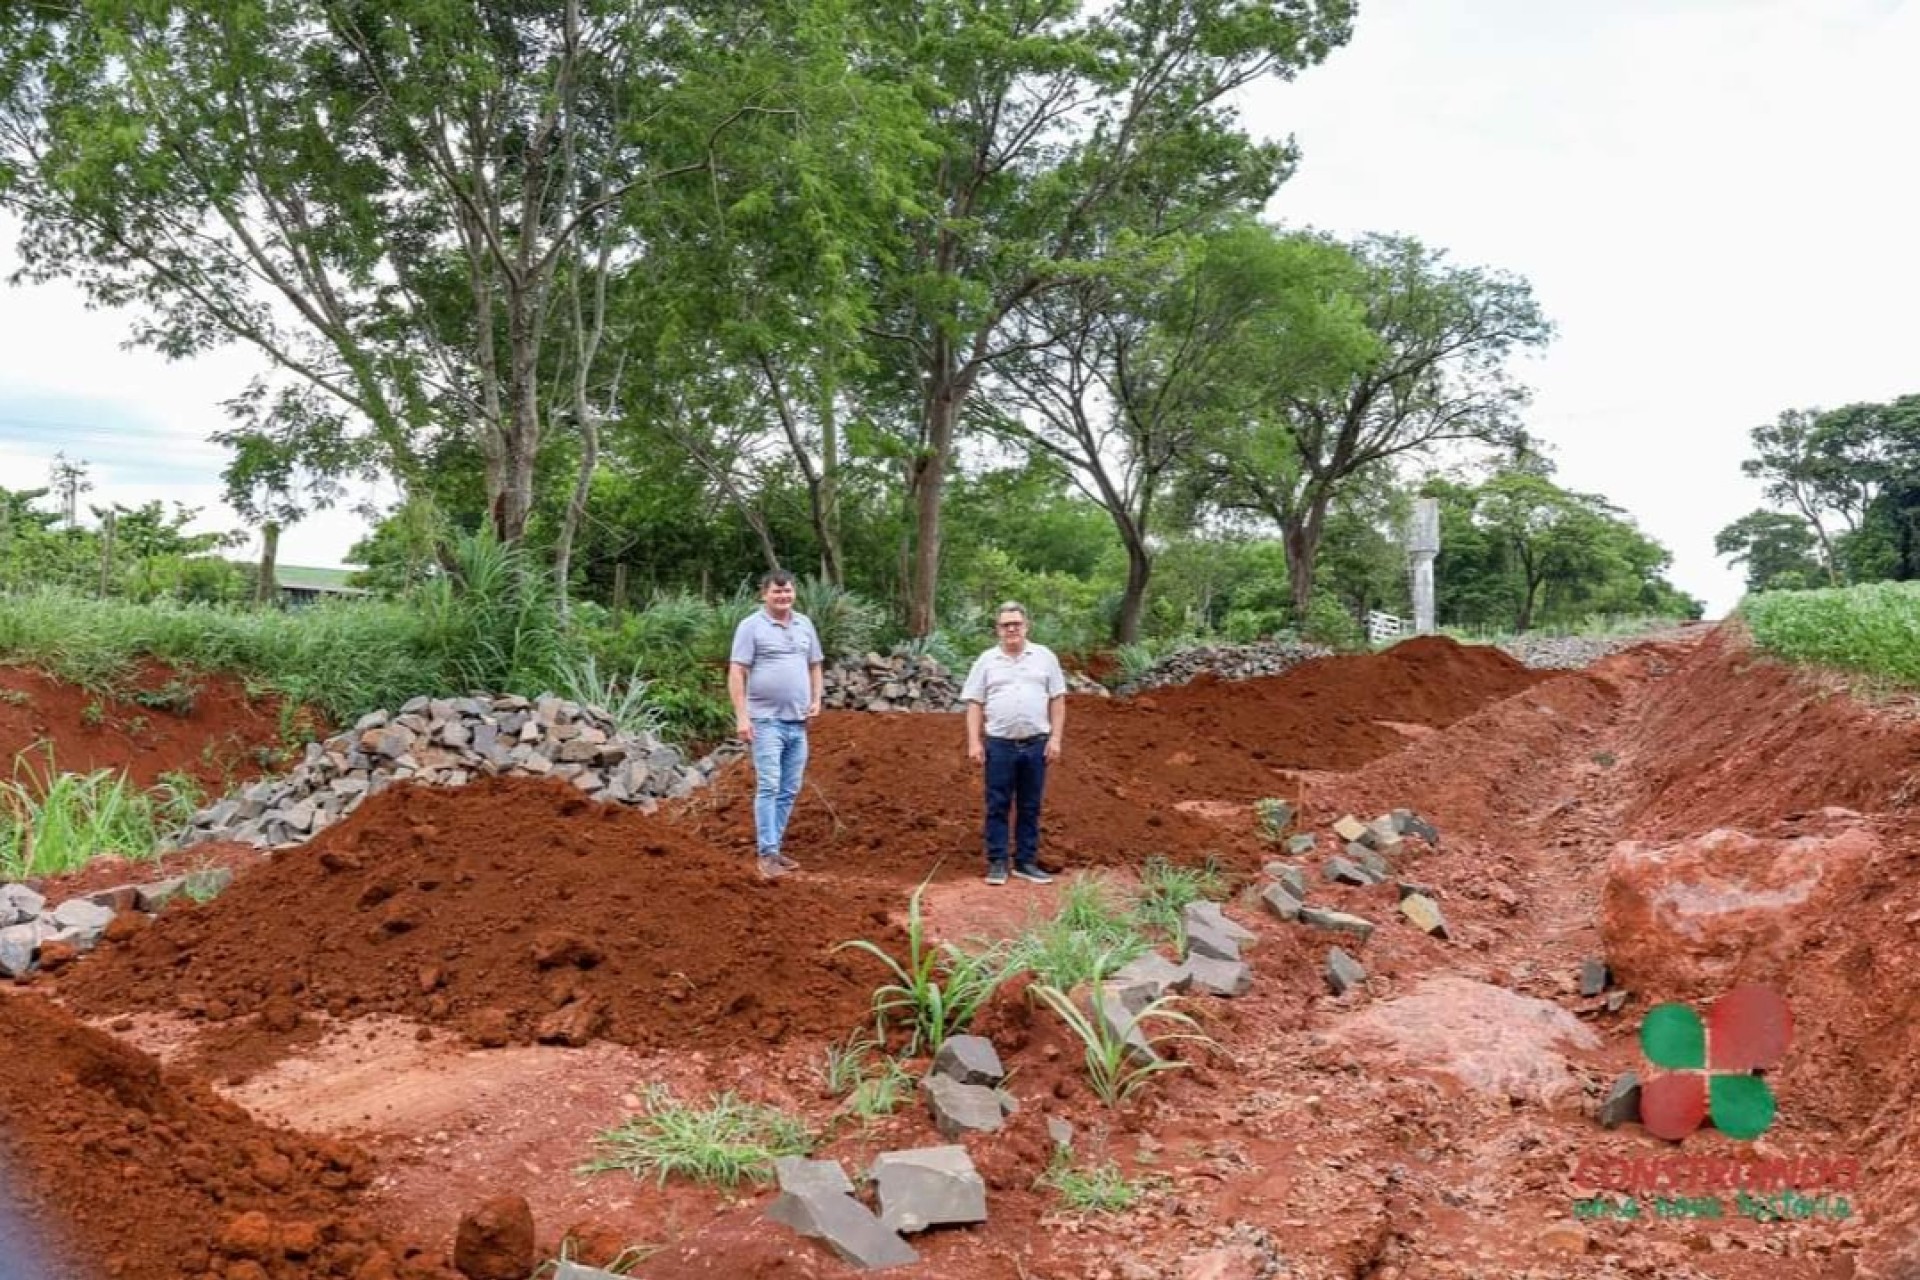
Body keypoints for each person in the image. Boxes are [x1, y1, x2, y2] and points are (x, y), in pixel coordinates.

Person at [728, 569, 824, 880]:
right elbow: (737, 671)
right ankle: (766, 853)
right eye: (776, 592)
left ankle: (775, 847)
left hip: (798, 721)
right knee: (769, 785)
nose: (783, 597)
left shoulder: (804, 624)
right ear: (764, 595)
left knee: (789, 788)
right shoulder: (751, 627)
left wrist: (816, 699)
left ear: (794, 593)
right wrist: (742, 717)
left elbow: (815, 665)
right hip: (765, 720)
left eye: (787, 592)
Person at [961, 600, 1066, 886]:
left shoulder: (1044, 657)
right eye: (1006, 625)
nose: (1011, 629)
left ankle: (1025, 862)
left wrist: (1055, 738)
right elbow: (974, 703)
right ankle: (997, 862)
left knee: (1030, 805)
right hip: (999, 745)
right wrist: (974, 742)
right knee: (997, 803)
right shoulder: (986, 661)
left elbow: (1057, 699)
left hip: (1036, 744)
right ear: (998, 630)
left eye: (1016, 624)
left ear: (1026, 626)